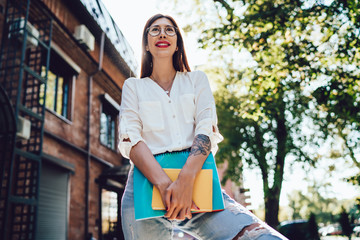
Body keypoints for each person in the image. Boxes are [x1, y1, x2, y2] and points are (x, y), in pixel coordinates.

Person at [119, 13, 287, 240]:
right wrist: (167, 186)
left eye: (170, 29)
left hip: (198, 182)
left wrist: (185, 182)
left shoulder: (196, 80)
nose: (162, 33)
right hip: (144, 188)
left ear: (177, 43)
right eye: (154, 29)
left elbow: (205, 129)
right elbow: (131, 138)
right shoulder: (133, 87)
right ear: (146, 44)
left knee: (260, 237)